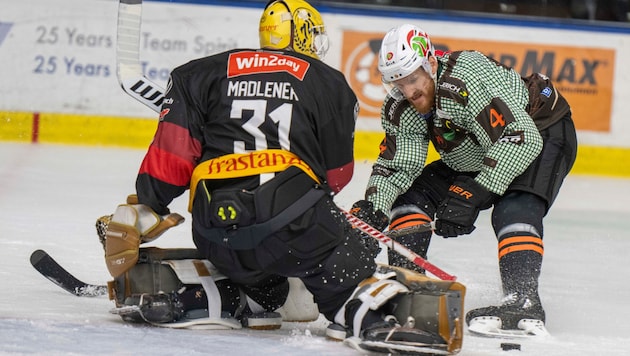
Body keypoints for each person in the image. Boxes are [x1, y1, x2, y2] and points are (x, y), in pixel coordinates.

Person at [100, 2, 465, 354]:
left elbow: (171, 159)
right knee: (345, 259)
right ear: (305, 34)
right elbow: (336, 176)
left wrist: (148, 204)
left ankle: (215, 297)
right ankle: (370, 317)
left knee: (264, 279)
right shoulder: (328, 81)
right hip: (291, 221)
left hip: (214, 227)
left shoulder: (199, 73)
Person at [353, 23, 577, 335]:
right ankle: (409, 285)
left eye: (412, 78)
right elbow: (399, 167)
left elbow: (521, 138)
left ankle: (523, 301)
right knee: (410, 199)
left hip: (541, 130)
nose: (408, 91)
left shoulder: (466, 77)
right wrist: (373, 208)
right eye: (397, 83)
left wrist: (475, 193)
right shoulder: (401, 106)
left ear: (430, 63)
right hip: (479, 147)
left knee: (513, 206)